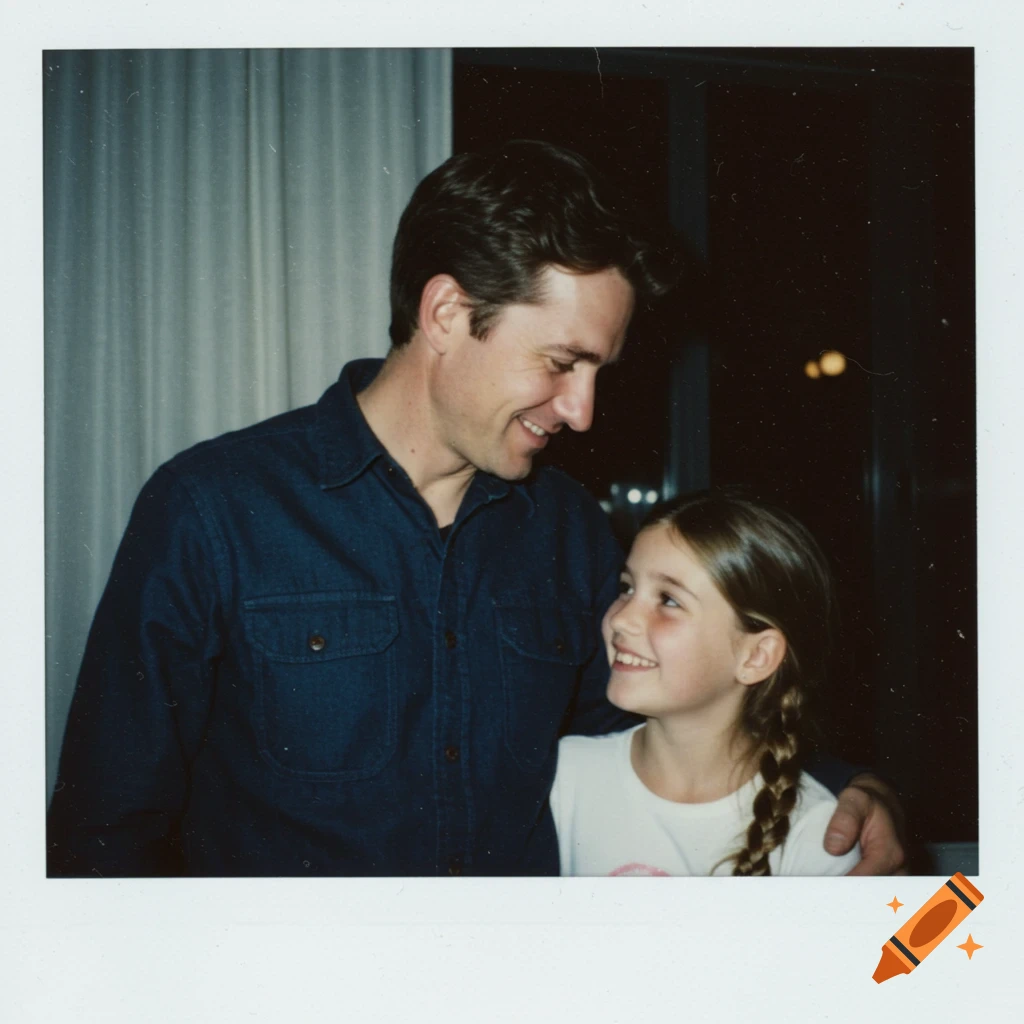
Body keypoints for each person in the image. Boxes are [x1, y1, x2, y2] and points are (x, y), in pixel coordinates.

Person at [47, 139, 904, 877]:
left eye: (599, 370)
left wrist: (835, 786)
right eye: (563, 362)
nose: (583, 412)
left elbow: (663, 726)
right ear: (448, 312)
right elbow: (104, 829)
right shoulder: (211, 510)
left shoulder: (565, 526)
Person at [552, 491, 862, 876]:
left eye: (668, 600)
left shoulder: (817, 834)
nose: (621, 619)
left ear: (756, 657)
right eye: (627, 588)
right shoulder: (564, 777)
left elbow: (939, 933)